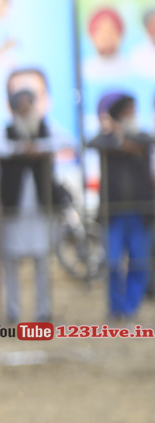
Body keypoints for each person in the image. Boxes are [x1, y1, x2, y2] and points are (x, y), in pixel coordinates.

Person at [0, 70, 70, 323]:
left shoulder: (46, 128)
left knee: (42, 262)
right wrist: (19, 149)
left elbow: (67, 141)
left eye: (28, 105)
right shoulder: (7, 130)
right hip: (14, 209)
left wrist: (38, 148)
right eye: (20, 107)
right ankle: (13, 312)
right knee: (11, 262)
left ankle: (42, 312)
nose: (25, 111)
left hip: (40, 208)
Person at [88, 94, 154, 321]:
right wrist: (118, 140)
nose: (131, 114)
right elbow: (94, 143)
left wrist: (127, 143)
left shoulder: (142, 138)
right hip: (113, 213)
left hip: (140, 213)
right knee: (113, 261)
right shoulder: (105, 140)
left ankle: (129, 308)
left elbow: (147, 141)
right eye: (126, 110)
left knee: (139, 262)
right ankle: (116, 309)